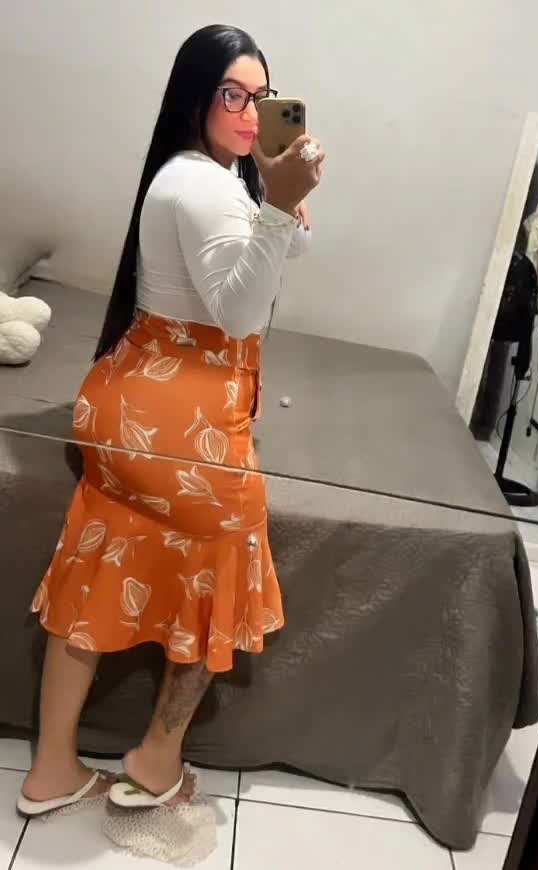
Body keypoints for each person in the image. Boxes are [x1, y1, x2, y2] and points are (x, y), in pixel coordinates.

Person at [18, 23, 324, 815]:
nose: (251, 113)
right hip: (180, 419)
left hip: (127, 399)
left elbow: (265, 260)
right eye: (233, 95)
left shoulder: (198, 176)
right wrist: (276, 207)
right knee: (228, 559)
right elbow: (241, 313)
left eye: (262, 98)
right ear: (196, 98)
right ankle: (156, 760)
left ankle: (51, 769)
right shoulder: (204, 187)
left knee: (98, 573)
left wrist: (279, 201)